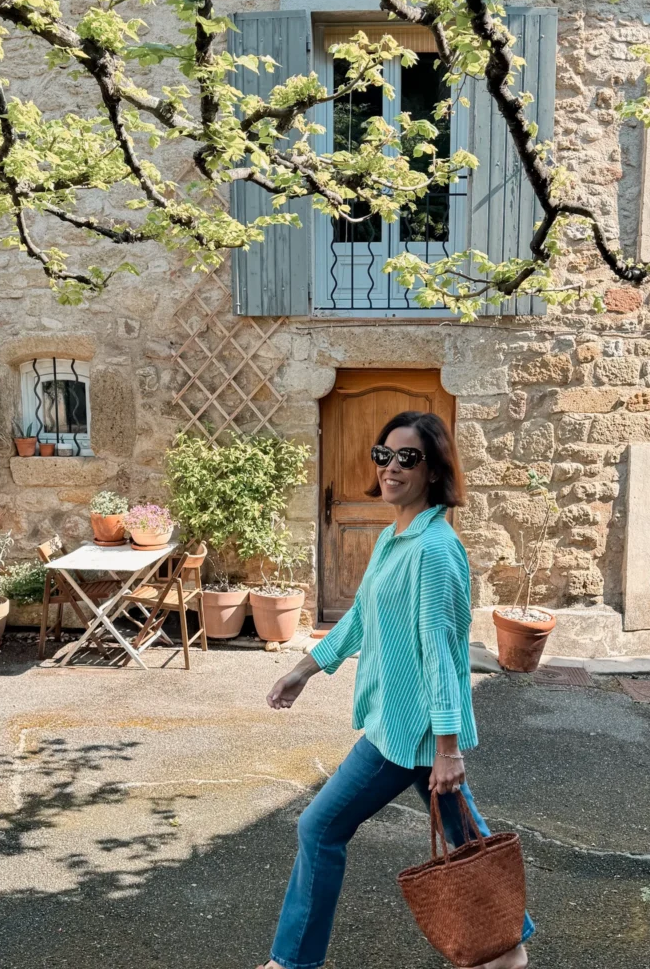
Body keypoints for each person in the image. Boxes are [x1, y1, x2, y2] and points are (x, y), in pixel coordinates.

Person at [257, 410, 534, 969]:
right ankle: (508, 948)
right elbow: (361, 617)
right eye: (383, 455)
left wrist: (448, 748)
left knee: (320, 827)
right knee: (469, 842)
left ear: (433, 471)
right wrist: (304, 670)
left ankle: (292, 962)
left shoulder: (433, 551)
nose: (391, 467)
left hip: (409, 732)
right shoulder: (393, 538)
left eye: (407, 457)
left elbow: (443, 654)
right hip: (401, 724)